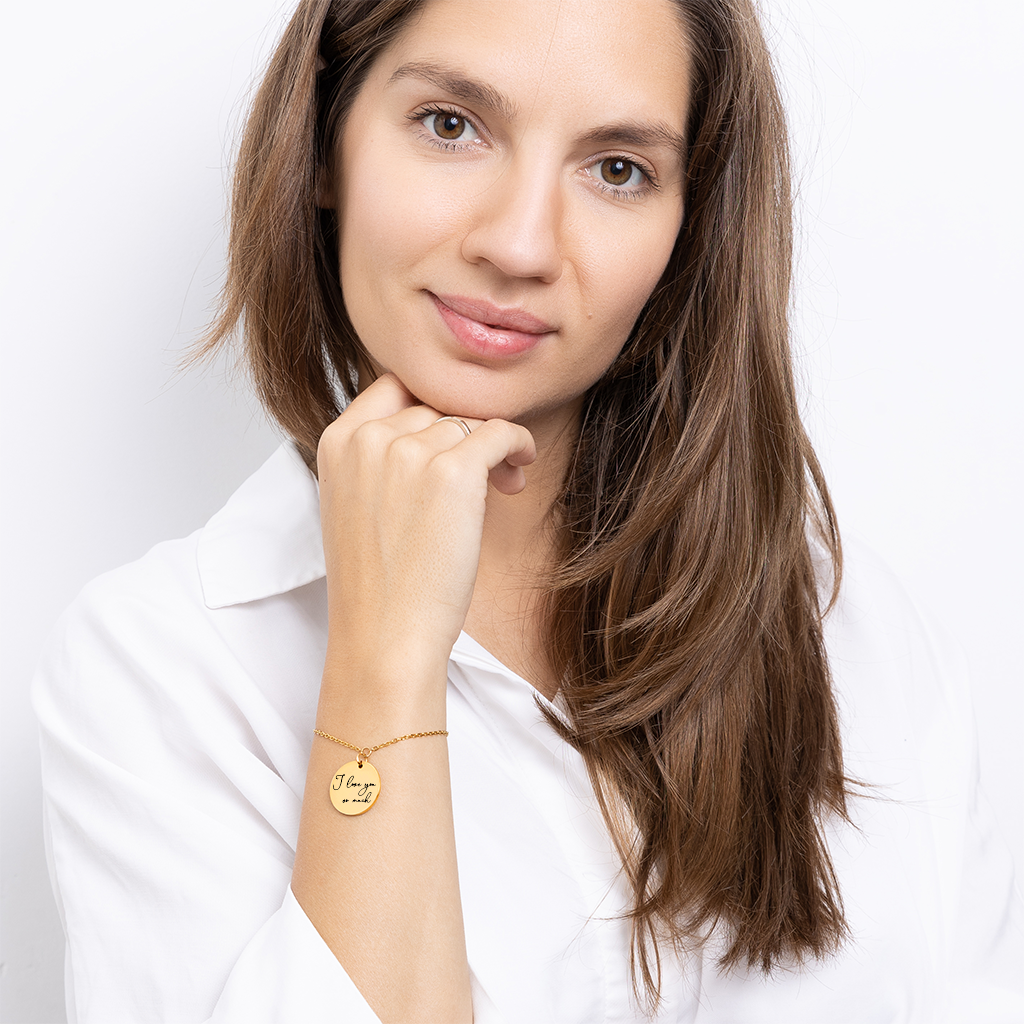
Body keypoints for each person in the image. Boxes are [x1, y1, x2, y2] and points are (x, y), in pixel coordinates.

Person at [33, 0, 1024, 1021]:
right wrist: (383, 663)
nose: (518, 244)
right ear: (325, 141)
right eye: (451, 125)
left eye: (617, 169)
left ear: (688, 230)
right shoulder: (161, 670)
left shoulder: (851, 630)